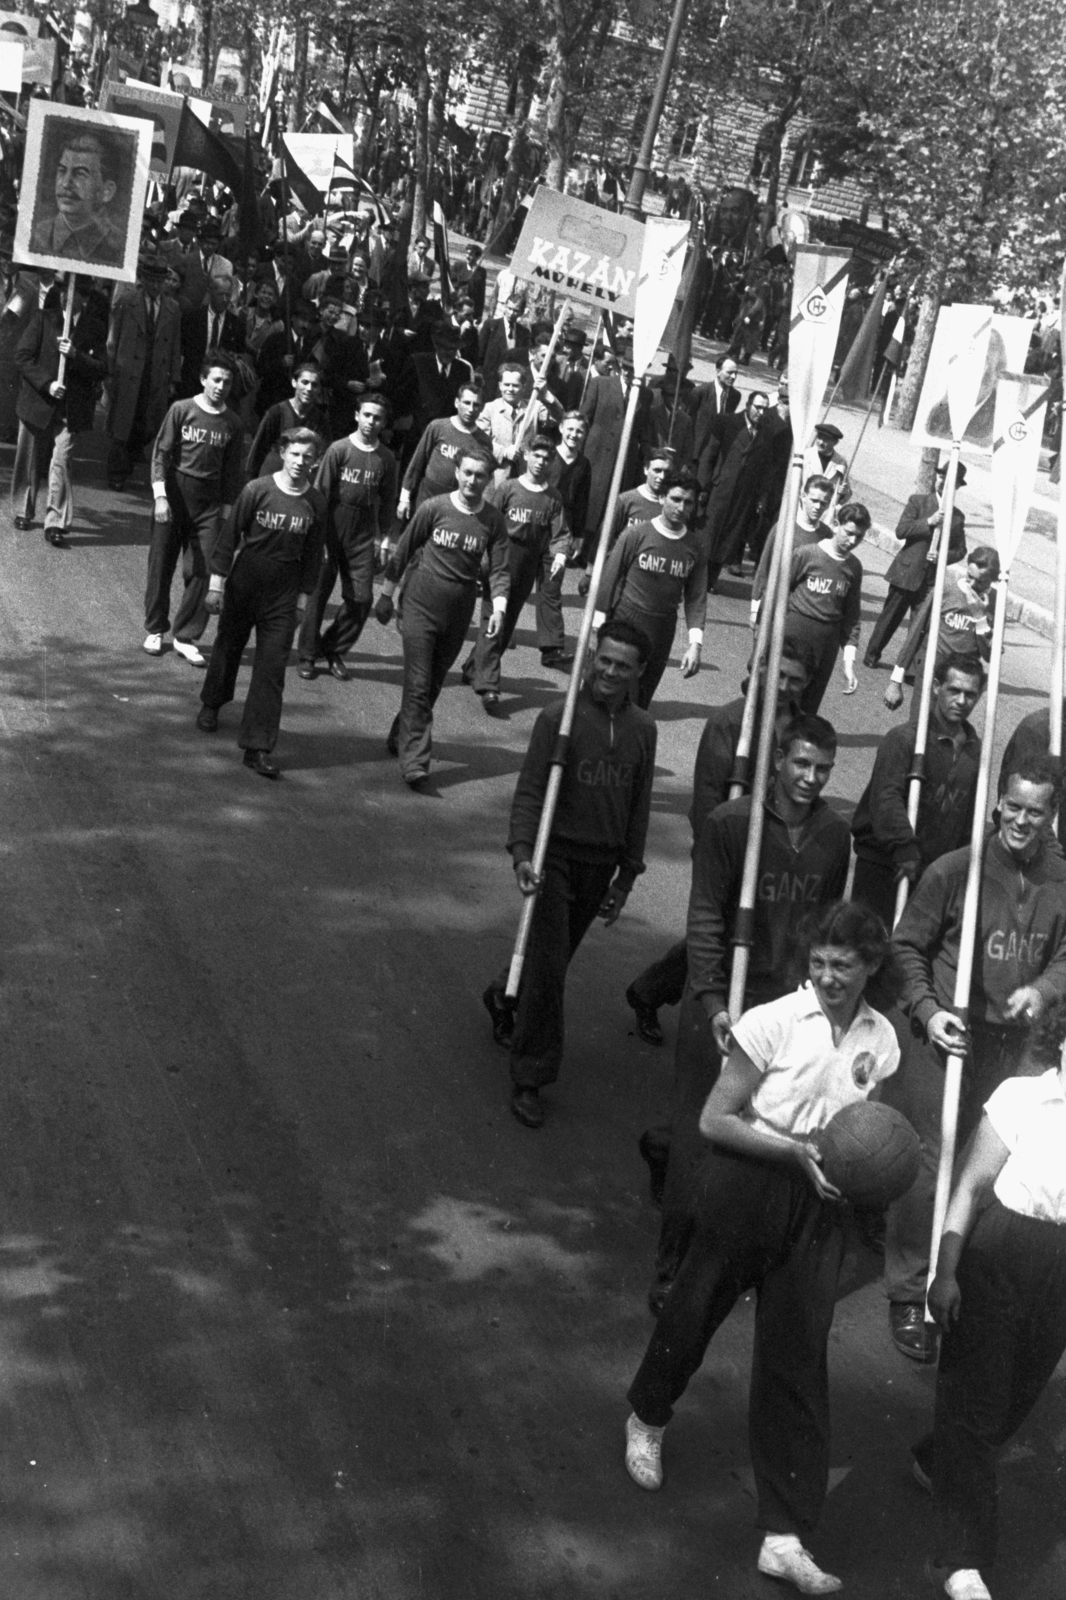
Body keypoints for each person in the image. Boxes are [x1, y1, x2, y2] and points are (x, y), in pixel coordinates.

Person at [624, 902, 900, 1598]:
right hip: (751, 1180)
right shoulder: (774, 1020)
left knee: (798, 1359)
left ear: (870, 966)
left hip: (821, 1201)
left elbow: (868, 1133)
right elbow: (715, 1119)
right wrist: (793, 1151)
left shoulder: (882, 1040)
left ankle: (785, 1534)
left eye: (845, 965)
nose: (830, 977)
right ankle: (648, 1415)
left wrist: (871, 1168)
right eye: (820, 963)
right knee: (694, 1310)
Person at [646, 713, 851, 1311]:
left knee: (764, 1134)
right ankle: (672, 1270)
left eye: (824, 770)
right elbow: (706, 916)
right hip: (726, 1002)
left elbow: (826, 927)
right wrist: (712, 1000)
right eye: (802, 764)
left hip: (786, 1007)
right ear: (780, 761)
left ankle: (736, 1260)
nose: (811, 778)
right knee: (699, 1138)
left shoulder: (834, 837)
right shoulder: (731, 825)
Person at [884, 753, 1066, 1363]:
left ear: (1051, 816)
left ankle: (958, 1278)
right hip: (949, 1033)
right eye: (1013, 807)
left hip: (1013, 1044)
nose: (1021, 821)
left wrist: (1041, 990)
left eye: (1035, 812)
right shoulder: (956, 869)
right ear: (997, 803)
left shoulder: (1061, 878)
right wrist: (928, 1011)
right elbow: (906, 945)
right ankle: (910, 1291)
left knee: (983, 1168)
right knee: (931, 1157)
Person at [914, 1000, 1066, 1600]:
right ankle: (963, 1561)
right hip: (1001, 1253)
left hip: (1063, 1269)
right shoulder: (1021, 1098)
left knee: (1013, 1401)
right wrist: (945, 1271)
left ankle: (934, 1458)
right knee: (977, 1408)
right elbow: (971, 1187)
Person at [482, 619, 657, 1128]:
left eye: (622, 666)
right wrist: (521, 853)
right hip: (552, 857)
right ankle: (532, 1075)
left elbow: (639, 807)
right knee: (550, 968)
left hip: (599, 866)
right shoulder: (558, 718)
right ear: (591, 657)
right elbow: (531, 792)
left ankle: (503, 992)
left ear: (639, 672)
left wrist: (626, 878)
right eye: (603, 659)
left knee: (549, 962)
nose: (609, 671)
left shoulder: (643, 730)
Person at [625, 642, 811, 1046]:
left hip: (775, 850)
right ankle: (666, 998)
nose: (784, 686)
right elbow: (708, 797)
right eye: (777, 675)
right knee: (718, 930)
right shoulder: (730, 722)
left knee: (745, 932)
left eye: (795, 680)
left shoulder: (802, 730)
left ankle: (651, 989)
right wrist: (716, 849)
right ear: (760, 669)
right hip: (726, 847)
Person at [375, 448, 509, 788]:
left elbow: (501, 569)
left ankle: (400, 735)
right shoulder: (434, 508)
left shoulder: (492, 521)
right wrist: (387, 595)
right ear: (456, 472)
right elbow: (404, 550)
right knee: (418, 682)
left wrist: (500, 609)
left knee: (432, 683)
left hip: (458, 610)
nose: (472, 481)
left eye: (480, 475)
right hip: (421, 604)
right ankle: (416, 764)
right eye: (467, 473)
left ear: (488, 478)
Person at [197, 427, 326, 778]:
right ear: (283, 453)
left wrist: (302, 600)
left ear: (315, 462)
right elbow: (229, 537)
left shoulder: (315, 502)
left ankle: (257, 746)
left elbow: (314, 556)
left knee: (271, 670)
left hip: (283, 594)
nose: (300, 462)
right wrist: (216, 585)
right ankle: (213, 702)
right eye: (295, 454)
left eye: (308, 457)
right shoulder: (257, 490)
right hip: (246, 581)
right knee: (229, 646)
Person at [851, 655, 984, 927]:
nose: (961, 701)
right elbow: (885, 799)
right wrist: (904, 846)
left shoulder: (974, 750)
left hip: (931, 874)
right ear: (936, 687)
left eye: (970, 694)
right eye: (954, 690)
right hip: (885, 865)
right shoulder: (905, 739)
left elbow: (968, 818)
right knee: (866, 948)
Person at [144, 351, 245, 665]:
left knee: (203, 569)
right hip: (175, 496)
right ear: (203, 379)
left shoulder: (233, 423)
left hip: (209, 504)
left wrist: (227, 515)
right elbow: (161, 454)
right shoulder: (182, 410)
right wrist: (160, 496)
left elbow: (232, 474)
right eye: (215, 379)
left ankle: (186, 635)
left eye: (226, 382)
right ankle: (155, 628)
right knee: (161, 564)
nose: (220, 386)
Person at [462, 435, 569, 708]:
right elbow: (488, 522)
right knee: (493, 619)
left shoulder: (553, 497)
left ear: (552, 462)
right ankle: (488, 685)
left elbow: (559, 533)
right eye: (536, 455)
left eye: (547, 458)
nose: (541, 462)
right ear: (526, 456)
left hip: (529, 561)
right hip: (503, 554)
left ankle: (473, 666)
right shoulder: (508, 488)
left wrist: (559, 554)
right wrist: (482, 557)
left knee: (506, 624)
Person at [297, 394, 398, 681]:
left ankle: (333, 648)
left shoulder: (387, 458)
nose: (371, 422)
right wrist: (318, 538)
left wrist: (385, 539)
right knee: (317, 594)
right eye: (366, 415)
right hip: (332, 524)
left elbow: (388, 500)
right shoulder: (339, 450)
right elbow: (320, 495)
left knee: (362, 598)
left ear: (384, 422)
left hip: (363, 532)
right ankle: (306, 655)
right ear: (356, 415)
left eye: (377, 417)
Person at [593, 470, 707, 709]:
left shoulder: (695, 546)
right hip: (627, 618)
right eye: (675, 499)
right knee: (608, 690)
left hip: (662, 627)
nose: (680, 507)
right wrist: (598, 628)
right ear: (662, 498)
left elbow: (696, 598)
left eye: (688, 502)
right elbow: (609, 578)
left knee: (641, 700)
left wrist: (695, 644)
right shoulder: (637, 534)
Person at [11, 275, 107, 545]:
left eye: (74, 292)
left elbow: (102, 368)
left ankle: (56, 522)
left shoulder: (94, 327)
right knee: (30, 458)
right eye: (64, 290)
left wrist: (76, 355)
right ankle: (23, 509)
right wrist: (47, 384)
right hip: (38, 401)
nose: (67, 295)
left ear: (84, 299)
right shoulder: (44, 319)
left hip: (71, 408)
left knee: (61, 462)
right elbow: (22, 355)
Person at [864, 461, 968, 668]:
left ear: (956, 486)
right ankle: (872, 654)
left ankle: (907, 669)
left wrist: (941, 556)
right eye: (941, 477)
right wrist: (928, 522)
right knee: (890, 618)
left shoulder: (957, 517)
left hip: (930, 579)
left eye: (949, 480)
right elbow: (901, 531)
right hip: (907, 571)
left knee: (920, 626)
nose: (943, 483)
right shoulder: (918, 502)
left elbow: (960, 550)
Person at [884, 547, 1000, 716]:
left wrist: (980, 617)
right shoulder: (946, 587)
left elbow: (990, 655)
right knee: (919, 727)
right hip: (933, 670)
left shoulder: (996, 603)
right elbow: (916, 631)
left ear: (992, 580)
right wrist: (895, 681)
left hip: (963, 681)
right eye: (970, 576)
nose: (972, 585)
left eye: (981, 581)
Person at [782, 503, 870, 713]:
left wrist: (848, 663)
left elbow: (851, 617)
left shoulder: (854, 567)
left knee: (808, 706)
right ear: (837, 524)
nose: (852, 541)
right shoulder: (807, 554)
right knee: (781, 694)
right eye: (849, 533)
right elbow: (778, 593)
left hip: (826, 644)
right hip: (795, 633)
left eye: (859, 537)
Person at [106, 254, 182, 490]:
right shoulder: (128, 301)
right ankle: (117, 472)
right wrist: (111, 371)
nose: (156, 286)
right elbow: (113, 339)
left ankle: (133, 451)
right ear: (143, 279)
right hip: (128, 371)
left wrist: (173, 378)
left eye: (160, 282)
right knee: (122, 422)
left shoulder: (172, 308)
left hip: (154, 374)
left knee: (147, 421)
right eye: (151, 281)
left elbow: (175, 346)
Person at [700, 391, 771, 586]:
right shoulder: (728, 422)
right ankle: (697, 578)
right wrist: (703, 485)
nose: (761, 412)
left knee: (728, 537)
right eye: (758, 407)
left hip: (743, 496)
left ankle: (711, 579)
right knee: (709, 534)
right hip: (720, 489)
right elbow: (710, 455)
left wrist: (760, 497)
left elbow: (764, 469)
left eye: (765, 409)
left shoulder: (765, 434)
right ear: (748, 405)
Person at [29, 129, 124, 267]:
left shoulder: (121, 249)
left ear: (107, 191)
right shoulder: (33, 235)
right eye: (62, 171)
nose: (66, 183)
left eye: (80, 174)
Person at [398, 382, 493, 514]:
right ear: (456, 403)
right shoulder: (438, 427)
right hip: (428, 497)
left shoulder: (483, 441)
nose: (471, 409)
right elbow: (417, 463)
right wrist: (404, 498)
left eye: (476, 405)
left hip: (459, 504)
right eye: (466, 403)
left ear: (482, 408)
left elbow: (485, 478)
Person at [246, 361, 328, 479]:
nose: (309, 388)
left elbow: (323, 455)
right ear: (294, 383)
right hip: (273, 476)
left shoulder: (320, 420)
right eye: (305, 382)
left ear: (319, 389)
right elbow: (257, 451)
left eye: (314, 385)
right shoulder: (277, 412)